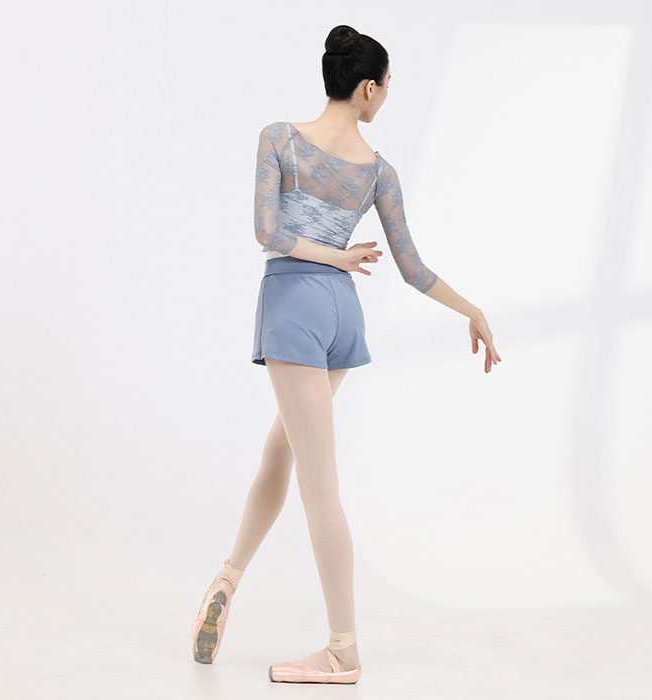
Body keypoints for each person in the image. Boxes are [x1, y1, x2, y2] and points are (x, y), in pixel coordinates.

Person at [191, 24, 502, 685]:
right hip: (340, 313)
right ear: (367, 88)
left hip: (295, 305)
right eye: (386, 86)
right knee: (282, 451)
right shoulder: (378, 171)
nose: (386, 96)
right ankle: (228, 577)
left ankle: (342, 651)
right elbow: (413, 269)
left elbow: (268, 232)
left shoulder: (279, 138)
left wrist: (332, 257)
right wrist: (470, 309)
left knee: (319, 485)